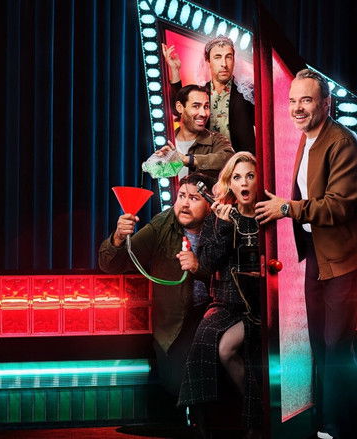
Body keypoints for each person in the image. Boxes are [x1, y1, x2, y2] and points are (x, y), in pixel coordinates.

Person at [254, 69, 357, 439]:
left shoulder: (344, 144)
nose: (297, 108)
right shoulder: (309, 139)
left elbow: (338, 206)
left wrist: (286, 208)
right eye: (293, 101)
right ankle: (355, 410)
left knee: (335, 344)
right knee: (323, 343)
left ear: (326, 104)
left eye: (306, 100)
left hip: (344, 258)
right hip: (319, 255)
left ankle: (338, 425)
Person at [98, 173, 217, 398]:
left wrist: (198, 267)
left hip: (213, 314)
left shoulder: (221, 226)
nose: (184, 204)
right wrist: (118, 238)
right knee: (175, 384)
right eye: (181, 196)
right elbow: (110, 264)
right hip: (175, 323)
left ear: (210, 205)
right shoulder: (162, 224)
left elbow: (233, 277)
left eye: (194, 198)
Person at [178, 152, 263, 437]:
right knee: (202, 347)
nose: (244, 183)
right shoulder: (219, 217)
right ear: (229, 183)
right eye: (237, 177)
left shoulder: (269, 213)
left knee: (229, 348)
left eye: (250, 176)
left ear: (260, 179)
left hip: (262, 305)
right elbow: (207, 263)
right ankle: (201, 423)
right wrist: (225, 227)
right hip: (226, 303)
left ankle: (256, 418)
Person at [162, 36, 255, 153]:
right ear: (208, 61)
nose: (224, 64)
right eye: (217, 57)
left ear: (234, 60)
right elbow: (179, 110)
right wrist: (174, 70)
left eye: (228, 57)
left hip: (241, 162)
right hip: (206, 160)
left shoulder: (247, 91)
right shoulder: (201, 92)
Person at [155, 84, 235, 180]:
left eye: (206, 107)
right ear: (179, 107)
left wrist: (189, 160)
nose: (203, 113)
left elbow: (230, 159)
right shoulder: (163, 141)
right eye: (196, 106)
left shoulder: (216, 140)